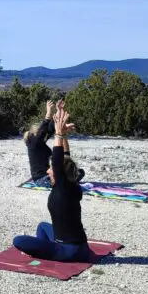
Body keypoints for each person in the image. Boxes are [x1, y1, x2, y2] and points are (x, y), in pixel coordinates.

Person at [12, 102, 90, 262]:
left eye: (51, 169)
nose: (48, 171)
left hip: (69, 252)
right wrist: (62, 136)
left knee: (18, 241)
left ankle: (45, 252)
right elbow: (65, 157)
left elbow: (57, 159)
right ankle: (44, 249)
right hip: (82, 247)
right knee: (42, 226)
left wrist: (59, 135)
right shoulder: (71, 185)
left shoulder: (61, 187)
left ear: (59, 172)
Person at [24, 100, 56, 184]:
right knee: (68, 180)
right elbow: (43, 131)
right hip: (41, 179)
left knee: (79, 172)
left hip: (48, 175)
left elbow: (50, 130)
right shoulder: (33, 144)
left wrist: (58, 113)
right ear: (34, 134)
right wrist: (48, 114)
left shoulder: (40, 143)